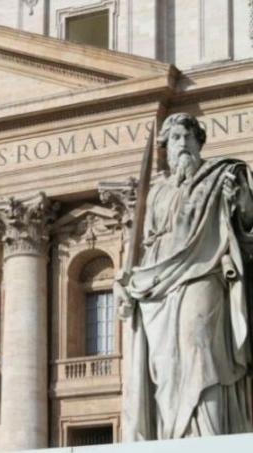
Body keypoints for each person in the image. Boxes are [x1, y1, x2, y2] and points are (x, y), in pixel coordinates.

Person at [114, 112, 253, 440]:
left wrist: (241, 200)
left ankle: (209, 436)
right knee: (166, 365)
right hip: (158, 285)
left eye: (189, 136)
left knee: (200, 345)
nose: (183, 143)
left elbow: (248, 225)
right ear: (166, 148)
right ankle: (176, 437)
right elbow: (146, 244)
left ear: (199, 141)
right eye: (176, 138)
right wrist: (131, 281)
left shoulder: (222, 175)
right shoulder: (157, 193)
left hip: (204, 270)